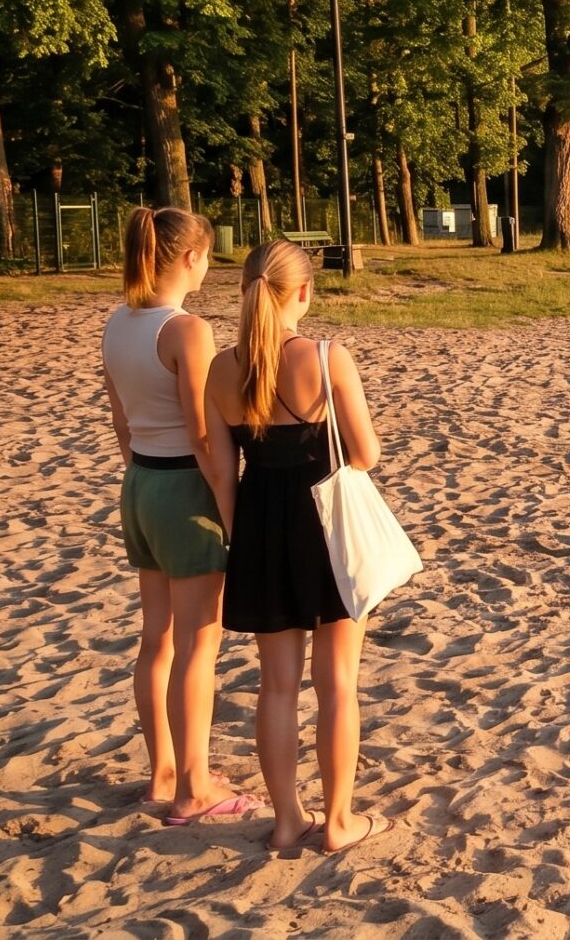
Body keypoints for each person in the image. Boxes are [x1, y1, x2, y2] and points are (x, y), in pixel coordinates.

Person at [207, 241, 393, 855]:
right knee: (337, 681)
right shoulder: (326, 356)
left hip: (259, 526)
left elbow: (221, 468)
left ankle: (287, 820)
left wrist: (240, 537)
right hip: (324, 527)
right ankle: (338, 821)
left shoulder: (222, 370)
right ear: (305, 292)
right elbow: (365, 455)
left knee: (276, 686)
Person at [102, 206, 251, 825]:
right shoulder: (187, 330)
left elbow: (120, 420)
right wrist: (230, 510)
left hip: (140, 482)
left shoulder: (118, 322)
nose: (209, 266)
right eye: (208, 255)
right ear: (191, 258)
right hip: (185, 488)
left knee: (156, 638)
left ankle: (163, 771)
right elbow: (203, 433)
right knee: (198, 643)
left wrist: (145, 477)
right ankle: (194, 787)